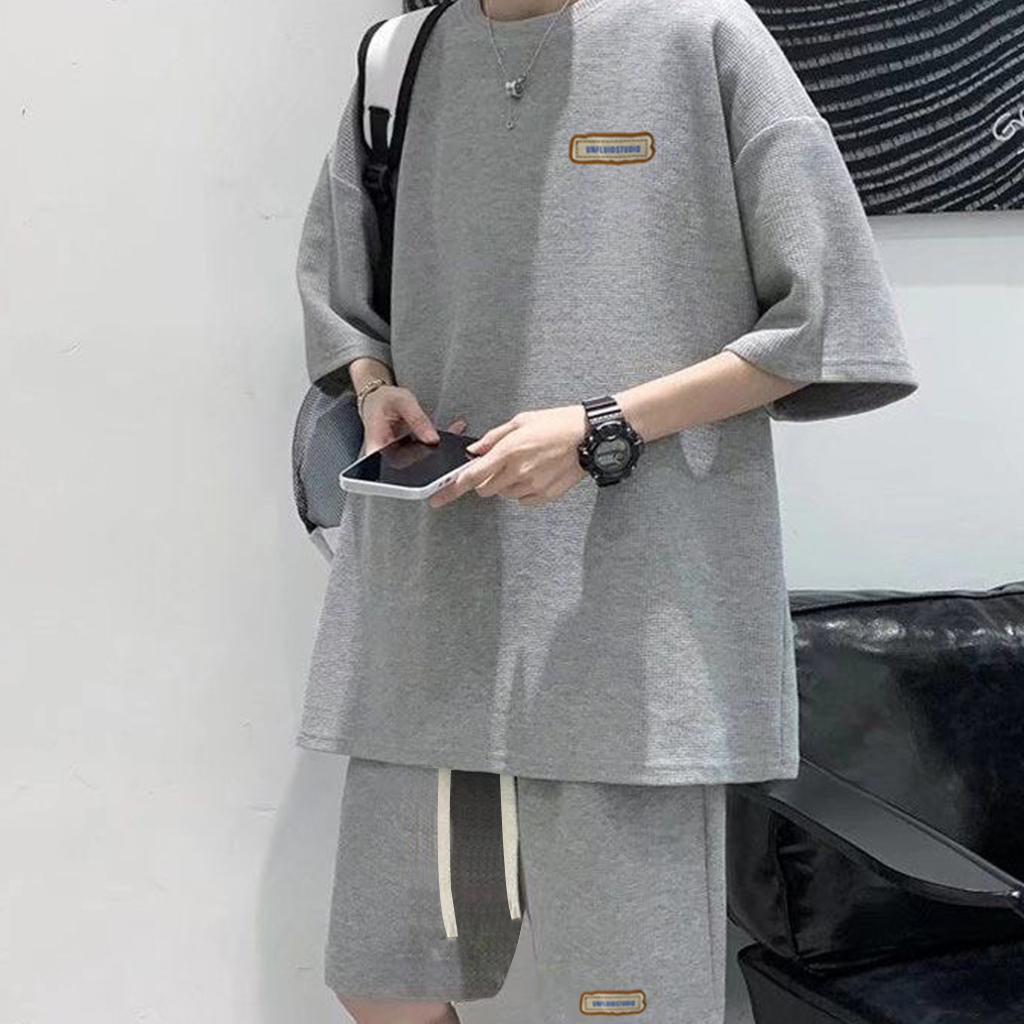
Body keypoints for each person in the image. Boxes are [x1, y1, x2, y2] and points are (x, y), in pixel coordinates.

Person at [293, 0, 920, 1020]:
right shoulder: (399, 57)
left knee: (620, 1005)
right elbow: (342, 289)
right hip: (434, 616)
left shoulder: (700, 35)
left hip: (631, 634)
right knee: (385, 982)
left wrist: (599, 427)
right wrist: (374, 387)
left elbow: (823, 319)